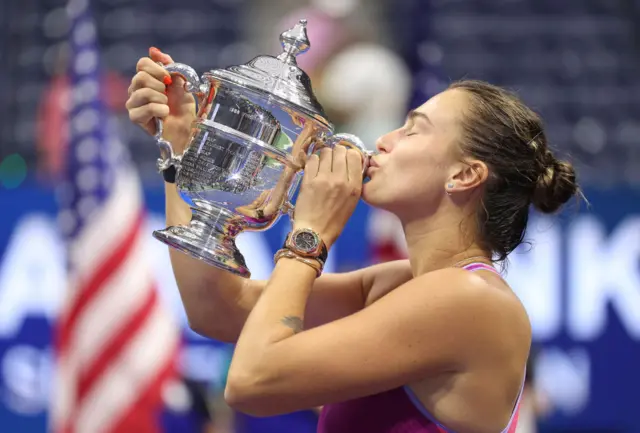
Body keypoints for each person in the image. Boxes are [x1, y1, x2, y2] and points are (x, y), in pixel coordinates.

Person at [126, 47, 580, 433]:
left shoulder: (471, 299)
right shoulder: (403, 284)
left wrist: (311, 235)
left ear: (464, 175)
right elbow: (216, 308)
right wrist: (185, 150)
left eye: (413, 129)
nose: (383, 140)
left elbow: (252, 382)